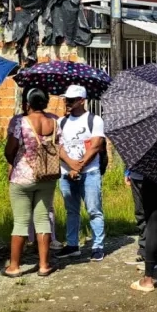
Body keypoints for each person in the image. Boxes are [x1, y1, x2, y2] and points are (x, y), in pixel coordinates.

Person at [3, 88, 59, 277]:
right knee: (43, 219)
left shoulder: (20, 122)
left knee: (20, 221)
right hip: (47, 177)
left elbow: (9, 150)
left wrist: (15, 162)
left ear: (27, 103)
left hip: (23, 178)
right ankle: (44, 265)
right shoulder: (54, 120)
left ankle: (14, 266)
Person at [56, 85, 106, 261]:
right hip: (66, 173)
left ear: (82, 101)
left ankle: (98, 245)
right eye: (66, 99)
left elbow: (96, 145)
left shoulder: (94, 120)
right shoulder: (60, 122)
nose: (67, 103)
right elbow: (58, 147)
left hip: (90, 172)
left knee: (94, 209)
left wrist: (79, 166)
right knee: (71, 210)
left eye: (71, 100)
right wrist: (70, 166)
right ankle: (72, 244)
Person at [124, 168, 157, 270]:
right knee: (140, 213)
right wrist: (127, 172)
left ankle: (156, 256)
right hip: (135, 176)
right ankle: (144, 252)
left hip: (153, 177)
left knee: (154, 216)